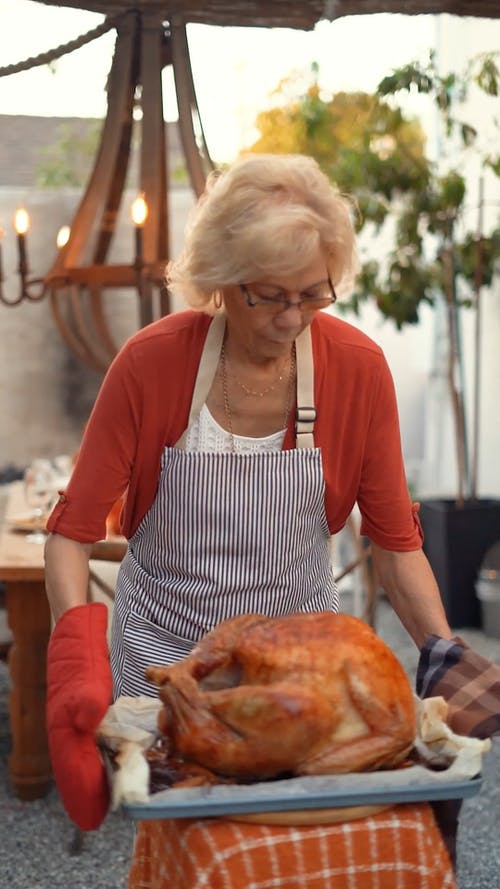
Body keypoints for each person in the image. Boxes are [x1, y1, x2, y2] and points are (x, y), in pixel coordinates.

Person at [44, 153, 457, 887]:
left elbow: (395, 547)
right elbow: (73, 531)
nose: (291, 318)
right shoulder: (150, 364)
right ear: (219, 277)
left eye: (312, 294)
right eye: (267, 296)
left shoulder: (357, 369)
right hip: (166, 669)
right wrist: (75, 656)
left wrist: (446, 655)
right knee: (202, 856)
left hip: (305, 677)